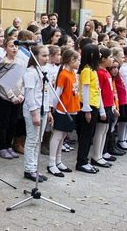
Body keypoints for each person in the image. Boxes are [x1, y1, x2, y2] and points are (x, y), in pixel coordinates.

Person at [47, 49, 80, 177]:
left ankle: (58, 160)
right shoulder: (64, 75)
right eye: (77, 60)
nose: (79, 63)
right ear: (72, 60)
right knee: (58, 136)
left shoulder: (73, 74)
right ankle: (51, 163)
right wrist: (54, 108)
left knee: (63, 136)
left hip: (72, 109)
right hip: (63, 110)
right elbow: (57, 94)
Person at [21, 45, 53, 181]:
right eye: (43, 56)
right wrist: (34, 113)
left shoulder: (44, 71)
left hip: (43, 109)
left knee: (38, 141)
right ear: (35, 56)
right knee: (32, 140)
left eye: (48, 55)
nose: (47, 58)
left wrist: (49, 110)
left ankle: (35, 167)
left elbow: (47, 93)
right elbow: (29, 95)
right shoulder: (31, 72)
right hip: (32, 110)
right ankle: (29, 169)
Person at [0, 37, 25, 160]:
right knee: (4, 124)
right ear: (5, 48)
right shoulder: (4, 63)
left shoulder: (20, 62)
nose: (14, 48)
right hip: (6, 99)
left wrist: (21, 95)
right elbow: (3, 83)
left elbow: (24, 81)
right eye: (11, 46)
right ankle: (1, 147)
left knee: (13, 123)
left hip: (18, 98)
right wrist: (12, 97)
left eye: (16, 46)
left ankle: (9, 145)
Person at [75, 44, 102, 174]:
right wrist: (87, 110)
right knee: (86, 135)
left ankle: (84, 159)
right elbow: (84, 90)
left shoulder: (92, 69)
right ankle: (81, 161)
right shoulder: (86, 70)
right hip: (88, 105)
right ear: (92, 55)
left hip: (94, 104)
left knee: (90, 134)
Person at [91, 48, 114, 168]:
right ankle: (96, 156)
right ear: (103, 59)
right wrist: (102, 109)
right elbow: (98, 92)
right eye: (111, 57)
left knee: (105, 131)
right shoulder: (99, 73)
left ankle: (100, 155)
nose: (113, 60)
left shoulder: (107, 72)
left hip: (109, 105)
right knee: (100, 131)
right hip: (103, 106)